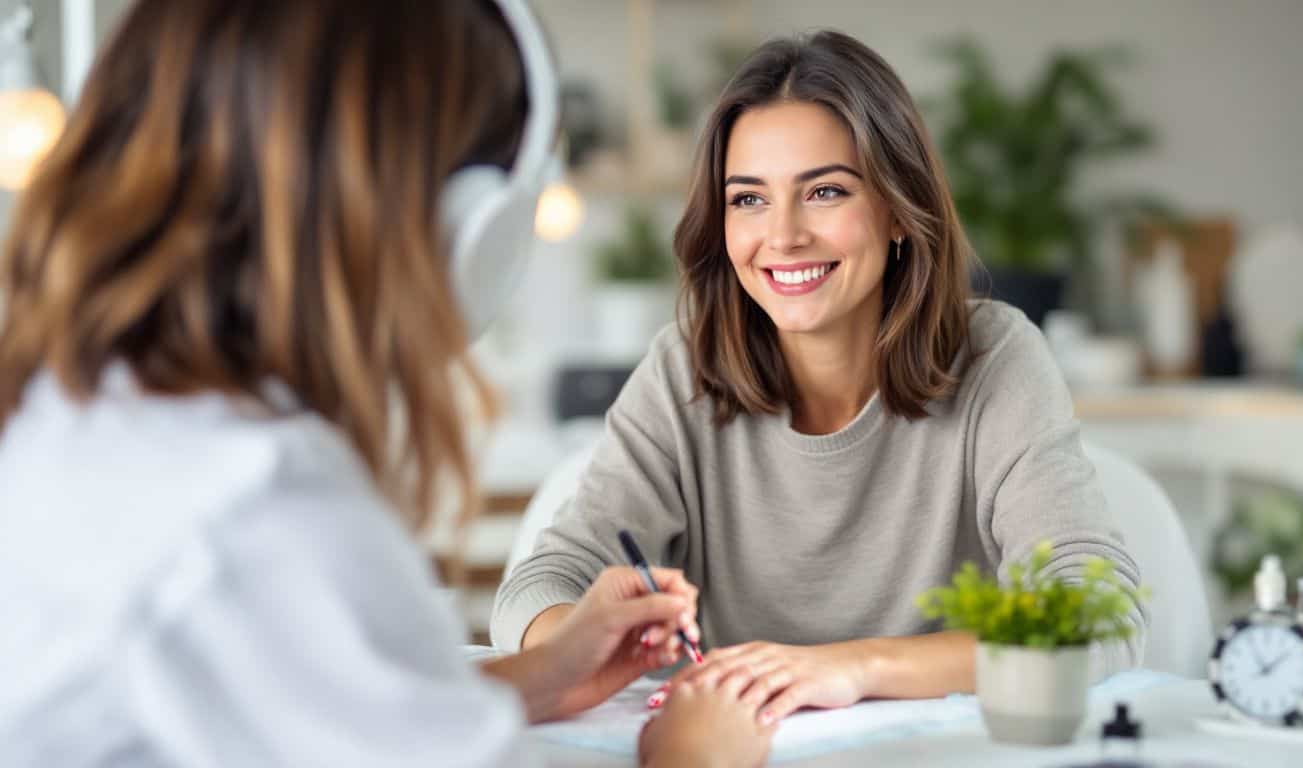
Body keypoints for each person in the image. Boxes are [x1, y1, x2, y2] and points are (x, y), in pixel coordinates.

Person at [0, 1, 774, 766]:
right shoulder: (258, 506)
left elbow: (300, 710)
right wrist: (693, 758)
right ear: (470, 224)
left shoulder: (82, 415)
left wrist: (542, 674)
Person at [493, 29, 1148, 726]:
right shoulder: (686, 368)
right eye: (748, 199)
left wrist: (851, 667)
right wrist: (586, 640)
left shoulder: (996, 358)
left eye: (825, 192)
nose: (783, 236)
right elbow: (535, 590)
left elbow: (1094, 616)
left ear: (898, 208)